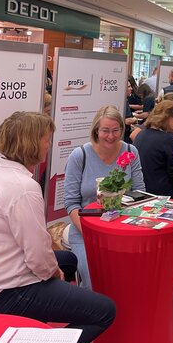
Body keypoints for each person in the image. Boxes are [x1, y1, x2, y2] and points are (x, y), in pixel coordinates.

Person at [0, 111, 116, 343]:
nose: (49, 145)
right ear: (32, 143)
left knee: (68, 259)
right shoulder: (23, 188)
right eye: (47, 139)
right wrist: (53, 274)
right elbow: (37, 255)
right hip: (5, 291)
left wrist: (54, 271)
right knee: (105, 311)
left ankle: (37, 319)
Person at [64, 106, 145, 289]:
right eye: (105, 131)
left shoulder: (130, 151)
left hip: (122, 231)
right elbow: (71, 203)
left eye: (116, 130)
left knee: (129, 278)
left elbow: (139, 191)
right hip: (86, 233)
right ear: (96, 131)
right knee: (96, 278)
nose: (111, 136)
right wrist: (92, 234)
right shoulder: (80, 155)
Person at [133, 100, 173, 209]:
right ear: (166, 117)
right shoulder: (167, 140)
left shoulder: (141, 135)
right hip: (161, 195)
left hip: (140, 192)